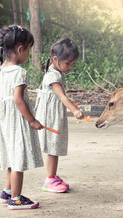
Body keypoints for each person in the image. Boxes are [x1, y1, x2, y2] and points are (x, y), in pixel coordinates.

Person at [0, 25, 43, 210]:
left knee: (11, 158)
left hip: (2, 120)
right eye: (29, 49)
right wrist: (33, 120)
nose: (29, 53)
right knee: (18, 159)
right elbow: (19, 100)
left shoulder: (0, 71)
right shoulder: (20, 73)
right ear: (20, 49)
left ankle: (6, 192)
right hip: (15, 121)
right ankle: (16, 199)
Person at [35, 37, 83, 193]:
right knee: (53, 147)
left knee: (55, 147)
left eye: (73, 64)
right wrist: (74, 110)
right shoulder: (53, 75)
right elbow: (61, 96)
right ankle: (49, 180)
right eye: (67, 63)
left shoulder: (55, 70)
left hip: (54, 113)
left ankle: (52, 176)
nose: (70, 67)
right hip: (51, 116)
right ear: (55, 59)